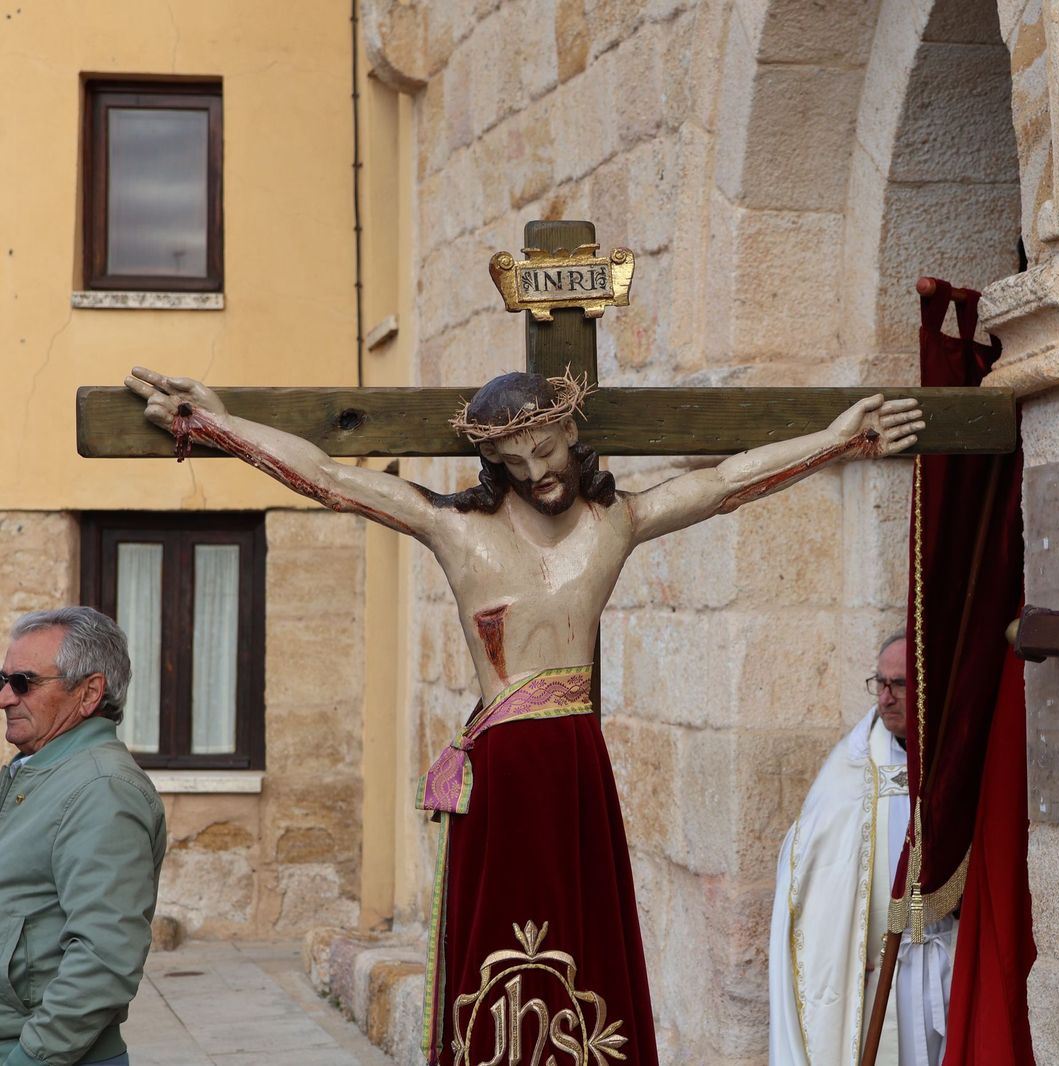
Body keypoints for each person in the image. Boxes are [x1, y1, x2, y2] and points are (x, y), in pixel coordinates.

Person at [125, 366, 924, 1066]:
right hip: (504, 773)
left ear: (571, 431)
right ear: (492, 463)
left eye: (544, 450)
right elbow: (330, 477)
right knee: (502, 946)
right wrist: (218, 424)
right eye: (514, 461)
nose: (537, 472)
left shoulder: (616, 524)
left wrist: (837, 440)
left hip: (576, 765)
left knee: (585, 939)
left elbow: (724, 484)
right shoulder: (456, 529)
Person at [769, 633, 958, 1066]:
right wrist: (843, 951)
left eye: (899, 685)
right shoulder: (852, 768)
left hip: (944, 960)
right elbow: (809, 871)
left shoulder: (953, 758)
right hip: (878, 973)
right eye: (880, 683)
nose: (886, 697)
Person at [0, 607, 167, 1066]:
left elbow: (105, 957)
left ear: (89, 692)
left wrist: (29, 1060)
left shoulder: (101, 788)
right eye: (4, 679)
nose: (5, 698)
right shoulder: (34, 774)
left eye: (23, 683)